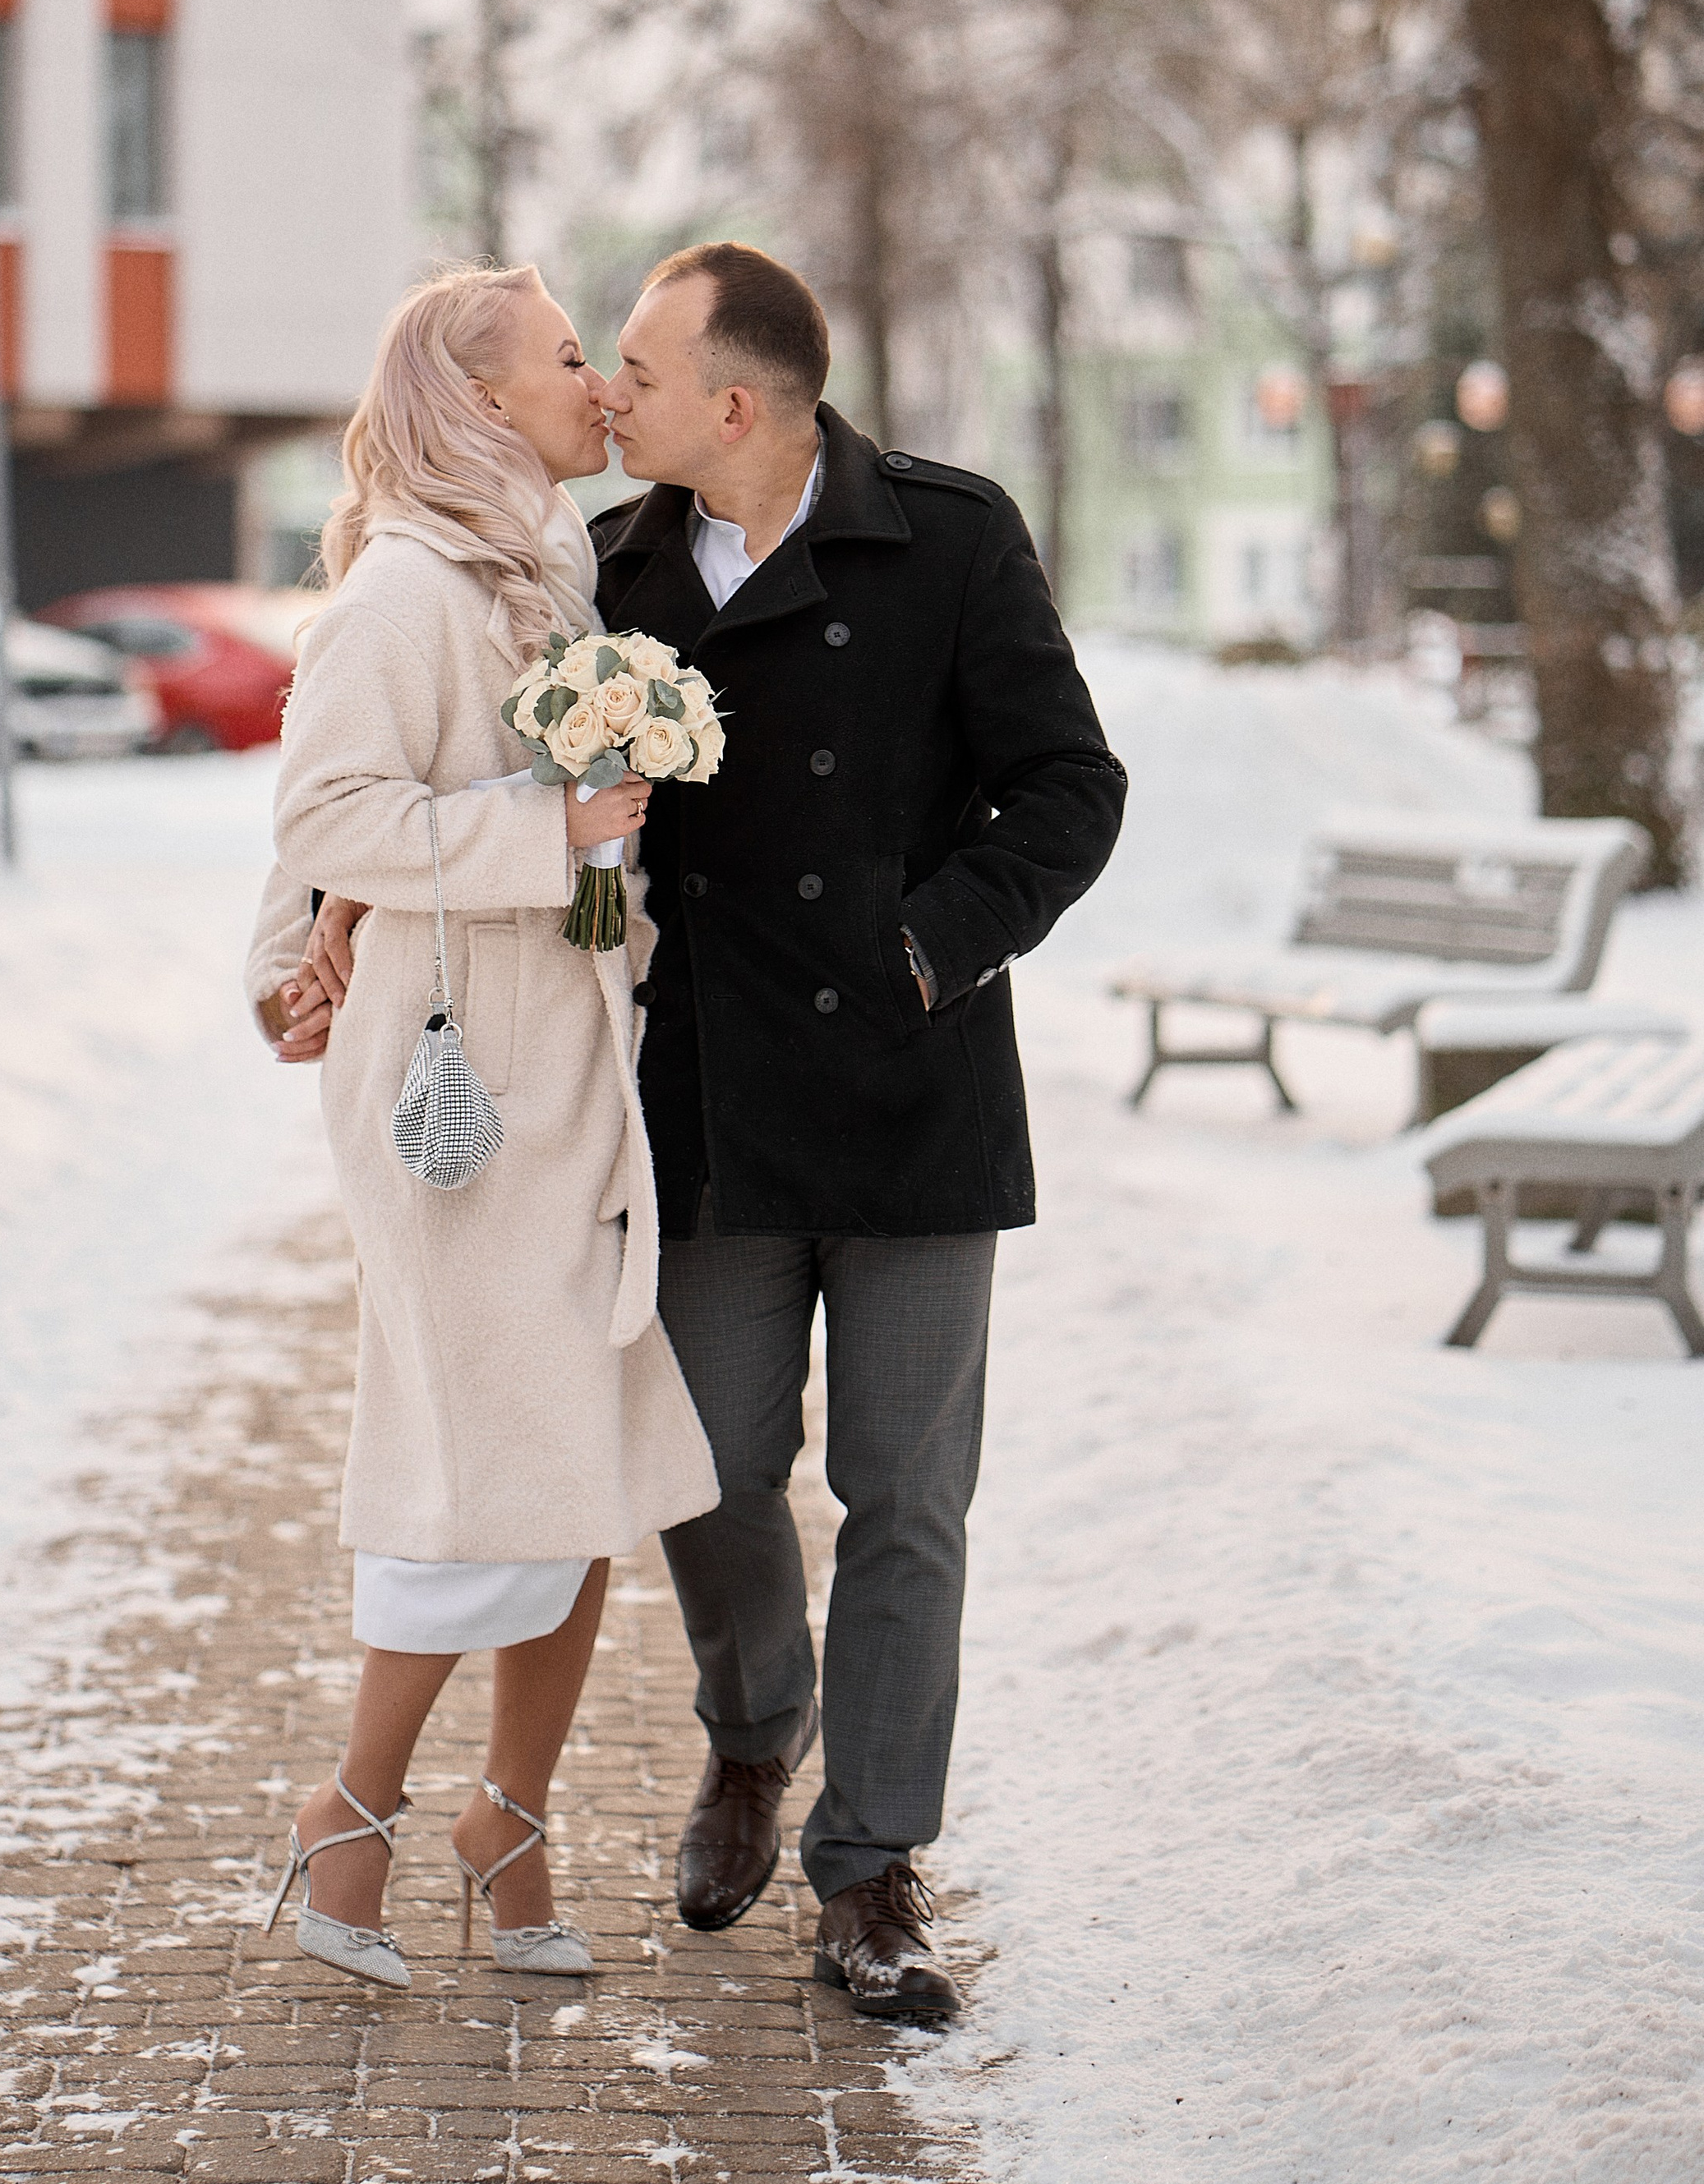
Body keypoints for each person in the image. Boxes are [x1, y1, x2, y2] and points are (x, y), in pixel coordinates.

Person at [590, 242, 1126, 2023]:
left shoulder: (948, 536)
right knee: (711, 1464)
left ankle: (874, 1865)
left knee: (905, 1495)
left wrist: (927, 943)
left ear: (735, 403)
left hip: (911, 1095)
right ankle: (755, 1734)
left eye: (640, 370)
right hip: (710, 1101)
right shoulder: (615, 568)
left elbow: (1070, 786)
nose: (612, 394)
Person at [244, 261, 716, 1991]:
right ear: (479, 399)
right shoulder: (404, 588)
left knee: (578, 1465)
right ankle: (350, 1818)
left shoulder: (549, 569)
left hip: (568, 1077)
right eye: (569, 357)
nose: (599, 384)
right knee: (474, 1469)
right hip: (458, 1101)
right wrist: (542, 831)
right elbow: (326, 814)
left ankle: (508, 1828)